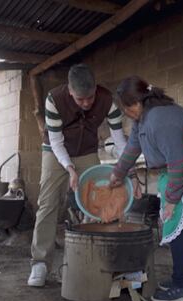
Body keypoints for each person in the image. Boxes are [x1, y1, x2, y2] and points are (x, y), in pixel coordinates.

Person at [109, 76, 183, 301]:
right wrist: (117, 174)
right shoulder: (143, 118)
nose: (126, 113)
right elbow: (133, 147)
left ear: (135, 103)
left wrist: (172, 201)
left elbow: (177, 162)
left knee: (178, 222)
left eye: (125, 109)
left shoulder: (160, 120)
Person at [28, 64, 127, 287]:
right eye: (80, 99)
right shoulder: (54, 100)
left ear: (95, 89)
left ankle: (92, 259)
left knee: (98, 200)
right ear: (70, 91)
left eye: (90, 98)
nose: (86, 103)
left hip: (87, 151)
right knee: (48, 203)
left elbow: (120, 141)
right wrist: (69, 168)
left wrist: (124, 170)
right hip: (55, 151)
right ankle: (40, 263)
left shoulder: (107, 100)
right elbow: (55, 142)